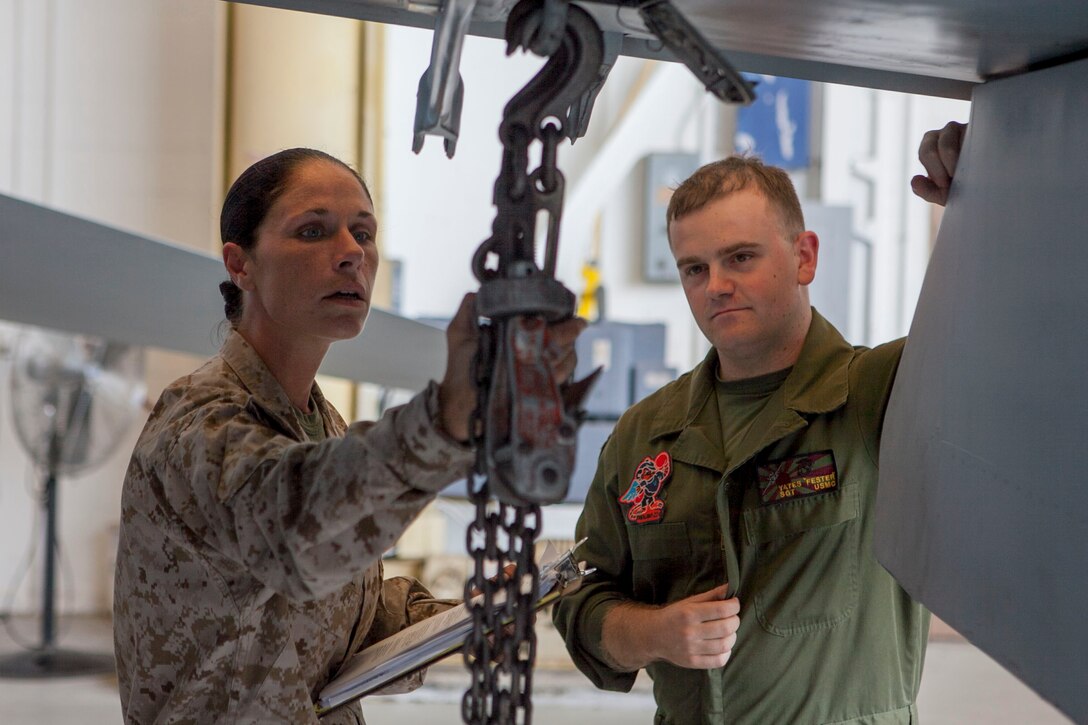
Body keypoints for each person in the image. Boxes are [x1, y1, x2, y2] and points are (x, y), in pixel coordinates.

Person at [112, 147, 583, 724]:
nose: (350, 254)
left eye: (364, 233)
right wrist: (444, 422)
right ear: (241, 264)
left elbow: (326, 614)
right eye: (313, 231)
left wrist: (463, 613)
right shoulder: (201, 423)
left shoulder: (317, 421)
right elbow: (294, 534)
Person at [552, 122, 967, 724]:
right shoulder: (646, 434)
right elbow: (580, 599)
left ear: (804, 257)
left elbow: (1008, 330)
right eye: (694, 269)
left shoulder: (884, 394)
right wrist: (655, 633)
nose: (716, 286)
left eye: (740, 258)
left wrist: (984, 204)